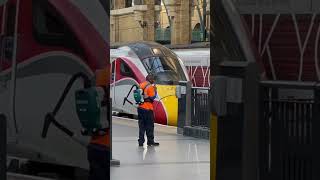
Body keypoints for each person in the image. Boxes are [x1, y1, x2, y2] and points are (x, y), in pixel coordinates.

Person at [138, 74, 159, 147]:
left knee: (141, 126)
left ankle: (140, 142)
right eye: (153, 79)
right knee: (149, 126)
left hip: (140, 108)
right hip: (148, 109)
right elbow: (152, 98)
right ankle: (150, 142)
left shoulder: (141, 84)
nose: (153, 81)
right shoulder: (150, 87)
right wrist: (155, 90)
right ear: (150, 79)